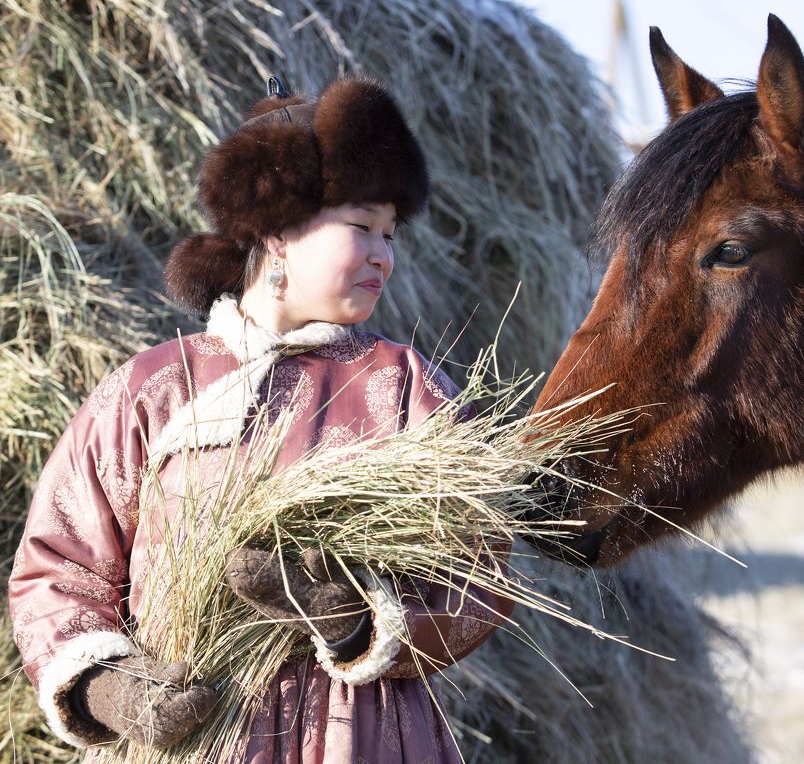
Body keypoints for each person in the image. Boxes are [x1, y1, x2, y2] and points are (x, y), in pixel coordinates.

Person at [8, 75, 515, 762]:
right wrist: (115, 690)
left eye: (391, 234)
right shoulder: (152, 390)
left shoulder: (404, 388)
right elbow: (59, 564)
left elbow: (484, 569)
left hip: (359, 741)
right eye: (362, 226)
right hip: (189, 737)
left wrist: (355, 623)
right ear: (277, 233)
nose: (383, 256)